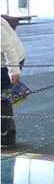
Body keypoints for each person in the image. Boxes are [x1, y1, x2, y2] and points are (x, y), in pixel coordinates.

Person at [1, 15, 27, 148]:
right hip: (5, 59)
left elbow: (8, 47)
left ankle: (7, 137)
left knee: (3, 97)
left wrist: (14, 71)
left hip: (11, 59)